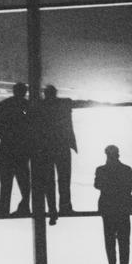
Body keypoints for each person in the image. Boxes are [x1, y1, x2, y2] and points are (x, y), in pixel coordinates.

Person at [32, 85, 93, 224]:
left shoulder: (39, 106)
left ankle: (52, 210)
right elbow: (82, 103)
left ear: (45, 94)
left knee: (49, 182)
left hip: (45, 148)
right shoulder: (64, 103)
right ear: (55, 93)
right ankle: (65, 206)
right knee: (64, 179)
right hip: (62, 145)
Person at [94, 145, 132, 264]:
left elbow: (98, 184)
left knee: (110, 244)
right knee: (124, 243)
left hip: (108, 209)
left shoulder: (101, 170)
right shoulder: (126, 170)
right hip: (123, 208)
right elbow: (128, 187)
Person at [0, 82, 31, 217]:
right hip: (22, 146)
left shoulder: (4, 104)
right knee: (23, 178)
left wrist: (8, 138)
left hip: (7, 146)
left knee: (5, 179)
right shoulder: (27, 106)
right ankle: (25, 205)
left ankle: (3, 207)